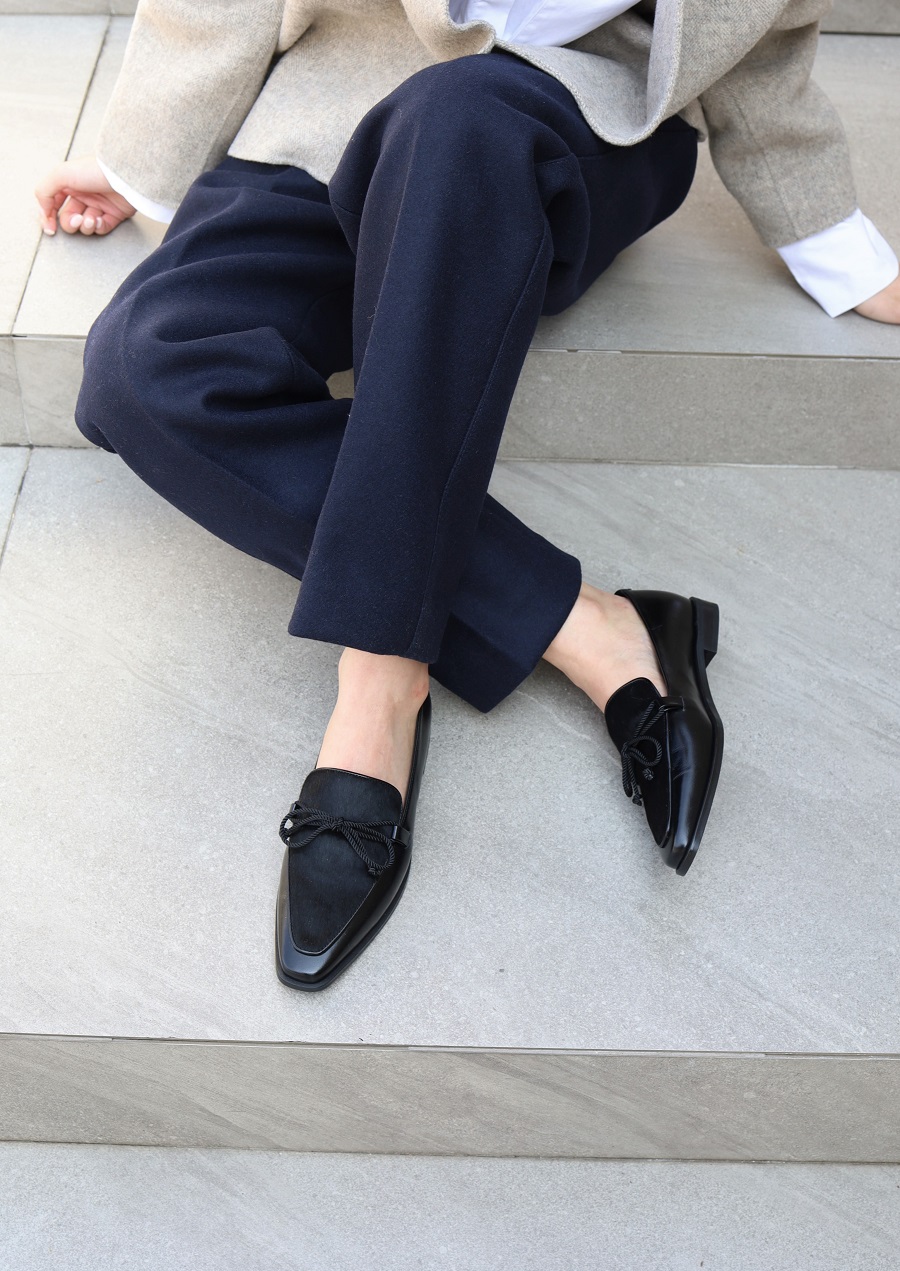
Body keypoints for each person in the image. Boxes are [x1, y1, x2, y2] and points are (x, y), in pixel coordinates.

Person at [35, 0, 900, 991]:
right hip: (335, 105)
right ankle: (588, 625)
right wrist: (142, 154)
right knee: (142, 368)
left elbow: (759, 33)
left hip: (565, 126)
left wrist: (838, 244)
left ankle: (380, 685)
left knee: (460, 120)